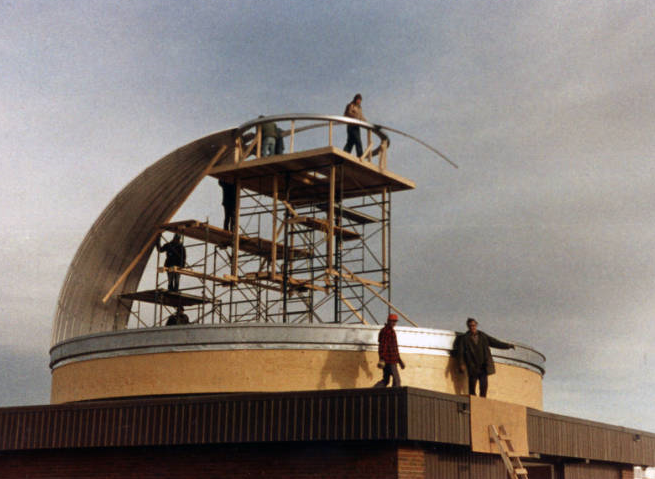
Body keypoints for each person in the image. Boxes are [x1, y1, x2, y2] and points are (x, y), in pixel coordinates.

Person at [456, 317, 515, 397]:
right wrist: (461, 364)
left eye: (473, 325)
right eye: (470, 326)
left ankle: (482, 402)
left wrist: (507, 346)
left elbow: (495, 342)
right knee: (472, 386)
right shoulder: (464, 338)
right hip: (472, 366)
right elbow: (460, 352)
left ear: (476, 325)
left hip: (483, 366)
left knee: (484, 386)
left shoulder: (482, 336)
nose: (472, 327)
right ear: (468, 326)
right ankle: (473, 402)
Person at [374, 313, 405, 388]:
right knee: (397, 380)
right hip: (390, 360)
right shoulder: (387, 331)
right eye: (392, 321)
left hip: (390, 360)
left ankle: (374, 390)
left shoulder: (389, 331)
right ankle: (395, 396)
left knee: (386, 380)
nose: (394, 323)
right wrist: (382, 358)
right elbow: (383, 346)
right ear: (388, 321)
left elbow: (394, 348)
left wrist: (399, 361)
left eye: (395, 321)